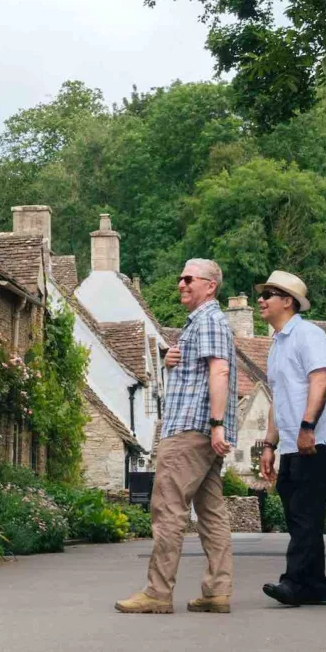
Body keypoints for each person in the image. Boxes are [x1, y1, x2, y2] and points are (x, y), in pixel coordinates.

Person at [115, 258, 234, 615]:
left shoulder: (209, 320)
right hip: (200, 430)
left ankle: (157, 592)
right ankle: (217, 591)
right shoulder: (201, 324)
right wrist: (172, 364)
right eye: (180, 277)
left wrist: (216, 424)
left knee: (167, 508)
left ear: (210, 286)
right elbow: (203, 371)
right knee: (211, 512)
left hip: (189, 430)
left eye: (188, 278)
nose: (181, 283)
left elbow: (220, 371)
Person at [253, 270, 326, 607]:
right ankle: (317, 586)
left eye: (269, 295)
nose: (260, 300)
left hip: (316, 440)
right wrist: (269, 444)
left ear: (288, 301)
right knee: (297, 514)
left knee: (305, 513)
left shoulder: (309, 334)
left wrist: (308, 428)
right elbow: (279, 397)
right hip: (291, 442)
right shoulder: (276, 345)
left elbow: (320, 382)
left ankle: (293, 583)